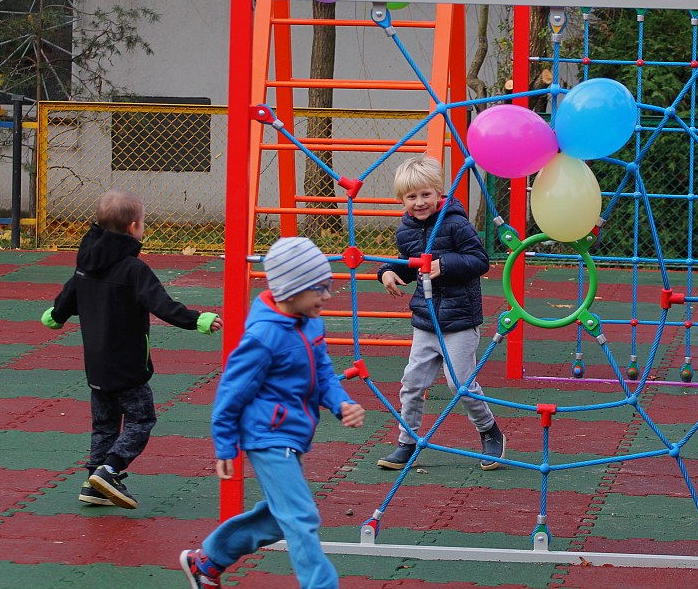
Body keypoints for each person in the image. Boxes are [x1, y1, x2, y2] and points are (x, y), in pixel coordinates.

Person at [179, 236, 365, 589]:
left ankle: (207, 562)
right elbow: (231, 391)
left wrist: (340, 404)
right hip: (267, 436)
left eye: (327, 286)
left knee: (280, 518)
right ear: (291, 292)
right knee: (300, 515)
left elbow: (323, 371)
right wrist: (225, 445)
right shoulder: (264, 336)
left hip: (292, 432)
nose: (327, 296)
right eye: (319, 290)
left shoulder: (310, 322)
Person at [41, 188, 222, 509]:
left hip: (96, 365)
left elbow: (69, 296)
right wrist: (199, 320)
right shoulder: (133, 270)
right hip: (128, 367)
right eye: (143, 223)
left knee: (105, 424)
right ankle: (110, 470)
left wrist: (55, 316)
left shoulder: (86, 264)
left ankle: (93, 481)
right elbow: (163, 305)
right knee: (141, 419)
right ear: (132, 228)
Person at [376, 154, 505, 470]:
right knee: (412, 383)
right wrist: (387, 272)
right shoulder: (406, 230)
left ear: (438, 193)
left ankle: (489, 430)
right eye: (411, 197)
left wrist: (444, 265)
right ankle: (407, 443)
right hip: (426, 320)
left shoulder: (456, 223)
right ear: (401, 200)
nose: (419, 203)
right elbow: (408, 264)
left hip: (459, 321)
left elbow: (480, 261)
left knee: (459, 384)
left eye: (425, 195)